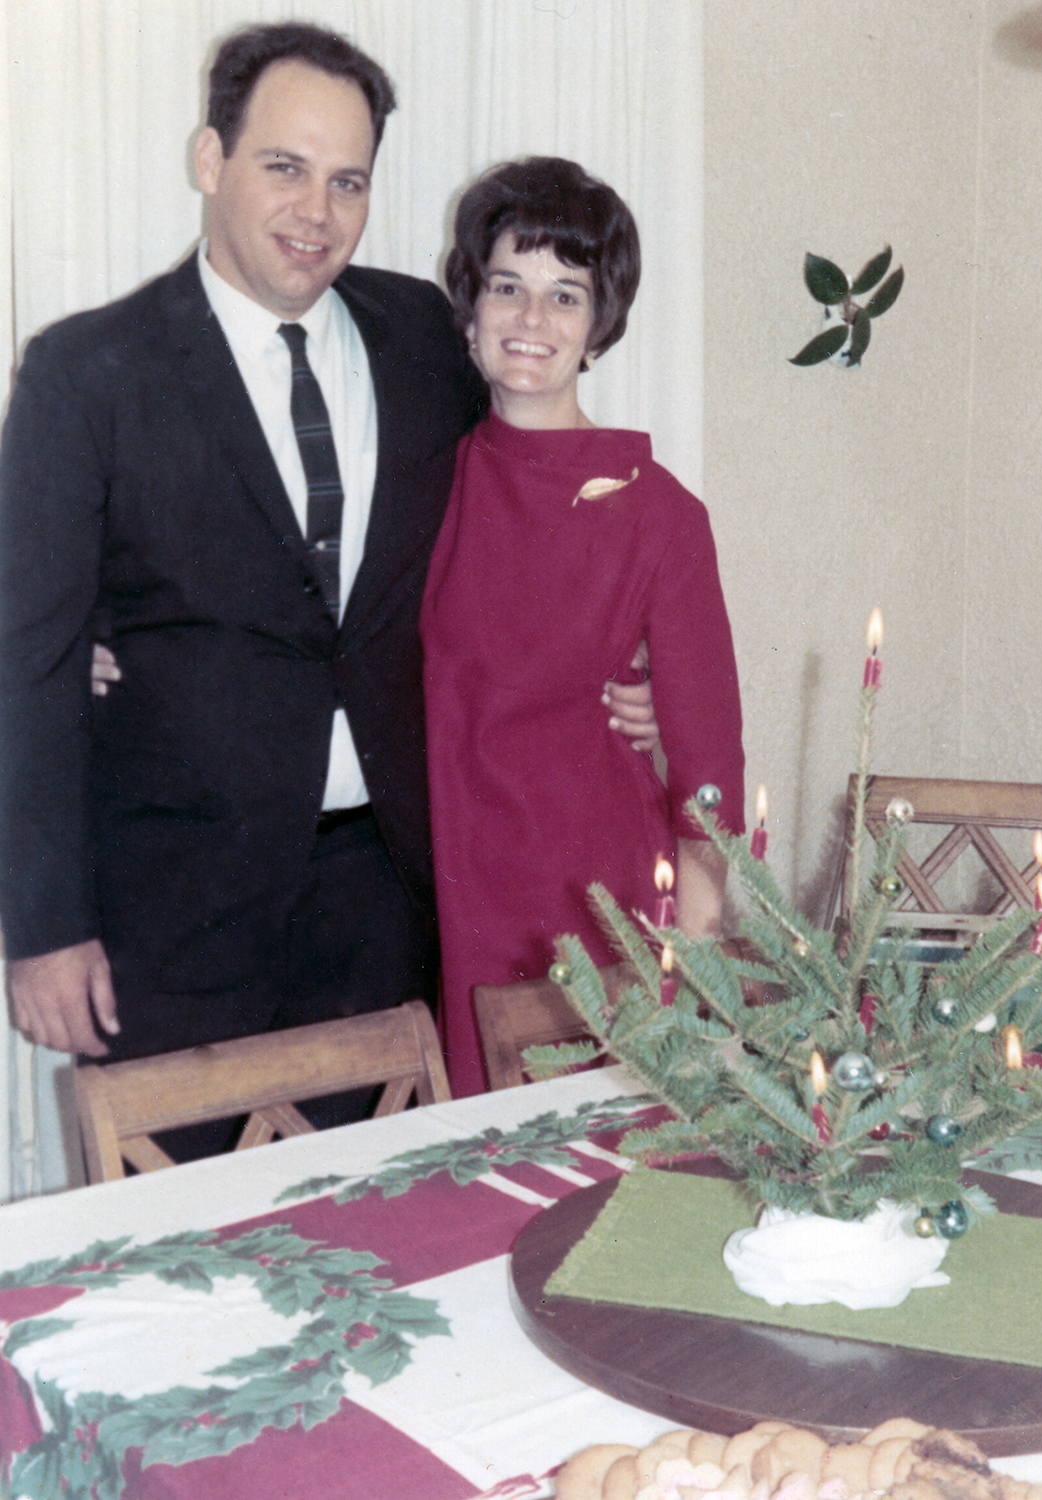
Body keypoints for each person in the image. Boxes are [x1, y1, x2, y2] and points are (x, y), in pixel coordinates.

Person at [0, 26, 654, 1134]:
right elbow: (29, 661)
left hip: (385, 901)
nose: (317, 211)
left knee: (397, 1210)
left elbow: (528, 509)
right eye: (284, 167)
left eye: (347, 180)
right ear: (211, 158)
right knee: (186, 1222)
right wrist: (44, 930)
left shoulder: (429, 339)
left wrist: (631, 665)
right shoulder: (89, 372)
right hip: (174, 914)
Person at [421, 158, 746, 1096]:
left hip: (604, 904)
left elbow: (708, 772)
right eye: (507, 287)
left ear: (599, 328)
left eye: (566, 296)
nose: (532, 319)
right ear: (471, 308)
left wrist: (692, 956)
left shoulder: (662, 518)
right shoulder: (421, 484)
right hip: (454, 895)